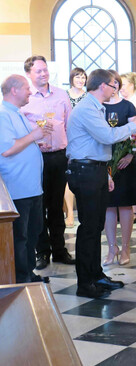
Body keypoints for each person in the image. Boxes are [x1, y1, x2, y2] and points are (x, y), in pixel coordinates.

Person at [66, 69, 136, 298]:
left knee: (96, 226)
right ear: (102, 86)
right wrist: (135, 125)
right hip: (85, 171)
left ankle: (96, 275)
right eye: (113, 85)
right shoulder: (87, 108)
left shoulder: (97, 107)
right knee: (89, 228)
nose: (115, 89)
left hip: (96, 169)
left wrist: (106, 174)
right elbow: (107, 137)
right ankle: (85, 283)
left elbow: (98, 145)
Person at [20, 55, 75, 270]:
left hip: (59, 155)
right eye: (38, 71)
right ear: (29, 74)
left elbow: (70, 125)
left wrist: (71, 153)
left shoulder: (61, 94)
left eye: (45, 70)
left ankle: (60, 250)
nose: (43, 74)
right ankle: (42, 251)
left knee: (56, 205)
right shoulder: (25, 98)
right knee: (39, 205)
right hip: (35, 157)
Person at [0, 75, 53, 283]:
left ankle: (28, 273)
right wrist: (34, 136)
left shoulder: (17, 113)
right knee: (19, 237)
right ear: (14, 90)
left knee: (33, 233)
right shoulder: (3, 114)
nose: (30, 91)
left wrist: (35, 144)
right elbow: (7, 149)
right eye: (26, 88)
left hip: (31, 187)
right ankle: (20, 279)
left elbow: (20, 143)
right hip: (17, 187)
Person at [103, 70, 136, 266]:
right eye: (110, 83)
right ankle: (112, 248)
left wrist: (130, 154)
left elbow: (135, 134)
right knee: (108, 206)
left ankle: (125, 247)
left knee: (125, 205)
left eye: (116, 82)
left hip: (124, 162)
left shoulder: (127, 106)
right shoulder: (98, 106)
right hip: (104, 161)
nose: (114, 86)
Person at [121, 72, 136, 223]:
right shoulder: (120, 102)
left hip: (134, 145)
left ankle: (135, 210)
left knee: (134, 177)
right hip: (122, 143)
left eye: (123, 85)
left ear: (131, 85)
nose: (121, 88)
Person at [63, 67, 87, 227]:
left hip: (83, 139)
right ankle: (70, 213)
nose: (80, 80)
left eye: (83, 77)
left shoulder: (88, 97)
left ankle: (83, 212)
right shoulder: (64, 95)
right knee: (68, 175)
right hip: (66, 137)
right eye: (77, 77)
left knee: (81, 174)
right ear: (71, 78)